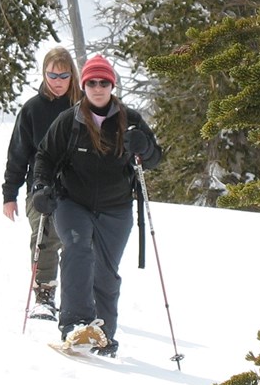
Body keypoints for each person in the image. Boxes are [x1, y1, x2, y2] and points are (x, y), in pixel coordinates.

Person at [30, 54, 162, 357]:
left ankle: (103, 334)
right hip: (72, 201)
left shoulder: (131, 121)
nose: (98, 87)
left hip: (115, 208)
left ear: (112, 85)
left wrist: (145, 147)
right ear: (84, 85)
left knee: (106, 270)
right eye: (91, 82)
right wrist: (41, 187)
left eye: (104, 82)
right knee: (77, 249)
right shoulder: (70, 120)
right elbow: (45, 157)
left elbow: (155, 159)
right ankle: (75, 325)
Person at [1, 47, 81, 321]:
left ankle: (81, 298)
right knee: (44, 237)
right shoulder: (32, 110)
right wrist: (9, 194)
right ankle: (44, 296)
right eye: (52, 74)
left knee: (79, 241)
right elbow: (18, 154)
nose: (57, 81)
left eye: (63, 75)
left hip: (79, 187)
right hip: (41, 186)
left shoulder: (85, 107)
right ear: (44, 74)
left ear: (72, 75)